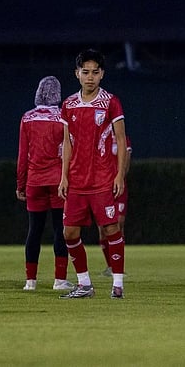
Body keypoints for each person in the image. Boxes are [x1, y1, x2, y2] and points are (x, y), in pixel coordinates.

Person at [57, 49, 128, 300]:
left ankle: (118, 284)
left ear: (102, 74)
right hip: (76, 182)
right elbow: (67, 143)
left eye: (95, 72)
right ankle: (84, 284)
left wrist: (119, 175)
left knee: (110, 228)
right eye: (85, 72)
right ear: (77, 74)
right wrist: (64, 177)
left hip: (101, 179)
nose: (90, 77)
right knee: (69, 233)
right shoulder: (68, 104)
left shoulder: (110, 102)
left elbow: (120, 139)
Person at [16, 76, 71, 291]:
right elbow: (69, 152)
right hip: (58, 181)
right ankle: (59, 280)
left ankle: (30, 281)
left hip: (34, 181)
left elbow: (22, 155)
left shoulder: (27, 118)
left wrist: (21, 184)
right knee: (60, 229)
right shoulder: (63, 117)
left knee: (34, 230)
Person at [99, 135, 131, 277]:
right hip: (101, 187)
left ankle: (119, 267)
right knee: (102, 227)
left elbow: (127, 159)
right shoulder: (100, 135)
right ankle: (110, 266)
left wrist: (120, 176)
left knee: (118, 223)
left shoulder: (122, 137)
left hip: (118, 187)